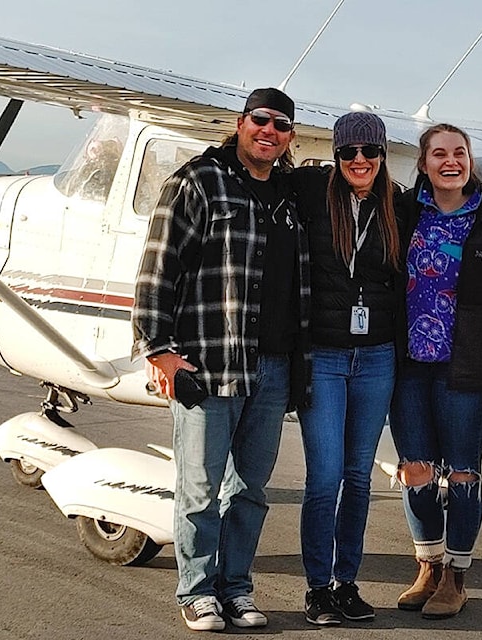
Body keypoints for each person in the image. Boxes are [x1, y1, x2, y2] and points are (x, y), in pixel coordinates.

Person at [131, 87, 310, 632]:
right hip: (210, 362)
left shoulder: (290, 194)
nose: (269, 131)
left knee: (250, 490)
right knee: (200, 487)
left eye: (281, 125)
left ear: (289, 137)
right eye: (260, 120)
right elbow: (158, 270)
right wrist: (160, 352)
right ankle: (197, 592)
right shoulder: (197, 180)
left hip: (274, 367)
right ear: (240, 123)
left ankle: (236, 589)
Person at [390, 123, 482, 619]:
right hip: (408, 366)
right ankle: (427, 565)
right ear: (424, 163)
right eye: (440, 153)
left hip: (466, 367)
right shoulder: (404, 212)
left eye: (460, 153)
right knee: (417, 472)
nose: (452, 161)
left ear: (470, 161)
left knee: (464, 475)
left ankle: (456, 577)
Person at [292, 111, 400, 625]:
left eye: (369, 152)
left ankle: (347, 582)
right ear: (335, 157)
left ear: (382, 156)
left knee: (358, 476)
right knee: (325, 475)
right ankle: (317, 587)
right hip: (326, 356)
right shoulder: (313, 194)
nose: (359, 161)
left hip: (377, 356)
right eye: (348, 153)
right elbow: (257, 170)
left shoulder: (400, 208)